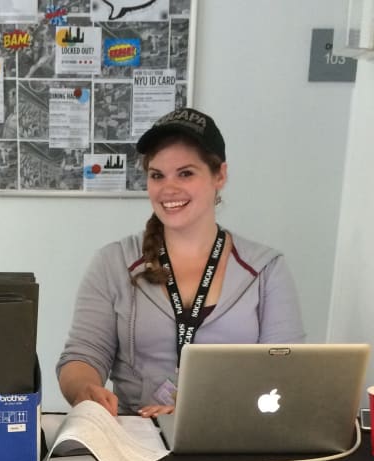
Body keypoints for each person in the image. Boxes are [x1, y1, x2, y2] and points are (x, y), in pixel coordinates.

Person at [57, 107, 305, 417]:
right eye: (157, 175)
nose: (168, 189)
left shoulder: (267, 269)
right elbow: (82, 356)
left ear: (220, 176)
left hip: (233, 434)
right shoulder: (114, 262)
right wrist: (85, 389)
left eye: (186, 173)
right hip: (138, 435)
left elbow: (286, 374)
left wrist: (198, 411)